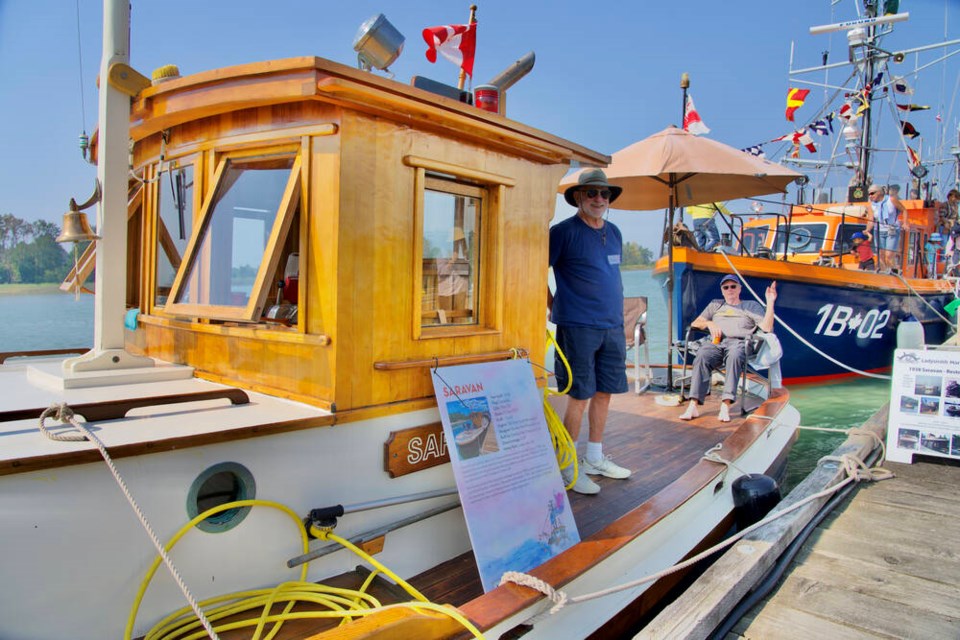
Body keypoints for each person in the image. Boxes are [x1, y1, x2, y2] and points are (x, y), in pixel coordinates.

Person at [549, 168, 630, 495]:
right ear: (579, 197)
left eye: (604, 194)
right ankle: (567, 468)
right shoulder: (563, 232)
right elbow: (533, 269)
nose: (599, 199)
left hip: (613, 326)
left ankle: (594, 457)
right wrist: (553, 306)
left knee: (604, 391)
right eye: (592, 193)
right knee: (580, 395)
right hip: (578, 326)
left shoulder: (615, 232)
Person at [679, 275, 777, 423]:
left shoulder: (750, 305)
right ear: (722, 291)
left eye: (733, 286)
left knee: (735, 355)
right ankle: (693, 404)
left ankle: (725, 405)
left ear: (739, 289)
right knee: (702, 355)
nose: (730, 289)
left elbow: (767, 328)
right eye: (726, 287)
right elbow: (696, 322)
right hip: (717, 343)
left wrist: (770, 303)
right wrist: (709, 324)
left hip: (739, 343)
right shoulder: (716, 305)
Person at [868, 183, 905, 271]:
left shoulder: (891, 200)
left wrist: (905, 223)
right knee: (880, 254)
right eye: (869, 194)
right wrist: (867, 229)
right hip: (879, 230)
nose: (870, 196)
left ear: (880, 192)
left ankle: (894, 272)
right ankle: (883, 272)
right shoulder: (871, 205)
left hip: (892, 230)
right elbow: (870, 219)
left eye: (872, 193)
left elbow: (904, 210)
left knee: (889, 255)